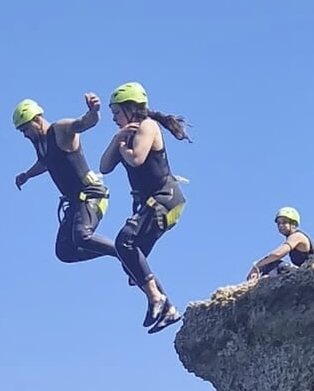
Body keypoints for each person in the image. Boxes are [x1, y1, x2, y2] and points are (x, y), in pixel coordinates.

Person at [99, 82, 189, 333]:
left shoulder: (148, 126)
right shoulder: (125, 135)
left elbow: (136, 159)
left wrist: (124, 148)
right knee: (131, 265)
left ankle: (156, 298)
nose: (115, 119)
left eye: (117, 113)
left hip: (164, 199)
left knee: (124, 241)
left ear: (130, 108)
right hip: (151, 204)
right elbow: (104, 167)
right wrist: (118, 138)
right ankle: (168, 308)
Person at [13, 94, 117, 266]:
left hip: (91, 194)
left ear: (37, 120)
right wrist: (27, 175)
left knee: (82, 236)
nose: (25, 135)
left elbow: (83, 123)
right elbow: (45, 162)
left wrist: (93, 111)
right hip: (75, 202)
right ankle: (119, 253)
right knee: (65, 251)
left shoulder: (60, 130)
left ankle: (122, 250)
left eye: (25, 129)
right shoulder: (39, 142)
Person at [246, 207, 313, 282]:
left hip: (311, 274)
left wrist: (257, 266)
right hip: (306, 274)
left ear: (293, 224)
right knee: (269, 264)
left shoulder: (297, 236)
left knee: (275, 265)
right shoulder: (292, 237)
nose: (280, 225)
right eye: (278, 223)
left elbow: (278, 254)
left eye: (284, 222)